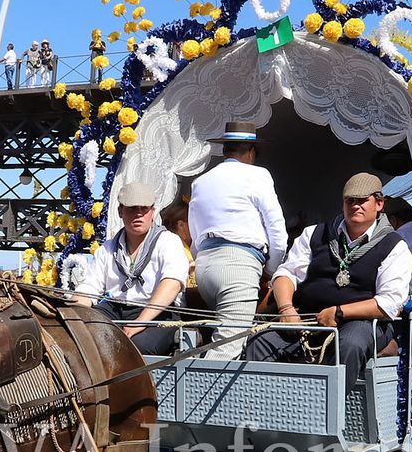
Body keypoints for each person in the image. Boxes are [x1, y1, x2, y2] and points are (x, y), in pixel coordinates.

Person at [245, 172, 412, 380]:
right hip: (307, 317)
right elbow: (286, 273)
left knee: (350, 344)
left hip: (361, 322)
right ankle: (265, 407)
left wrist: (340, 312)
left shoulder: (394, 246)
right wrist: (286, 308)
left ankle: (328, 409)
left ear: (379, 204)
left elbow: (390, 303)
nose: (355, 206)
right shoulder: (315, 233)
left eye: (362, 201)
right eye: (349, 201)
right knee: (261, 340)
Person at [187, 121, 288, 360]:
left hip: (205, 268)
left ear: (225, 151)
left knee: (224, 339)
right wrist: (271, 270)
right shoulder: (258, 174)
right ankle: (192, 395)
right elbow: (278, 232)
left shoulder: (201, 181)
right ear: (251, 152)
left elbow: (194, 233)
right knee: (226, 350)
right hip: (238, 267)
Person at [72, 182, 190, 355]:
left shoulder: (169, 242)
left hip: (159, 312)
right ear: (120, 211)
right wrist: (73, 313)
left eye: (144, 209)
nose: (139, 214)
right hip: (115, 309)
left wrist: (140, 322)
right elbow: (89, 287)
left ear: (153, 211)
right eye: (132, 208)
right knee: (84, 336)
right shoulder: (107, 248)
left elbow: (172, 284)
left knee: (133, 347)